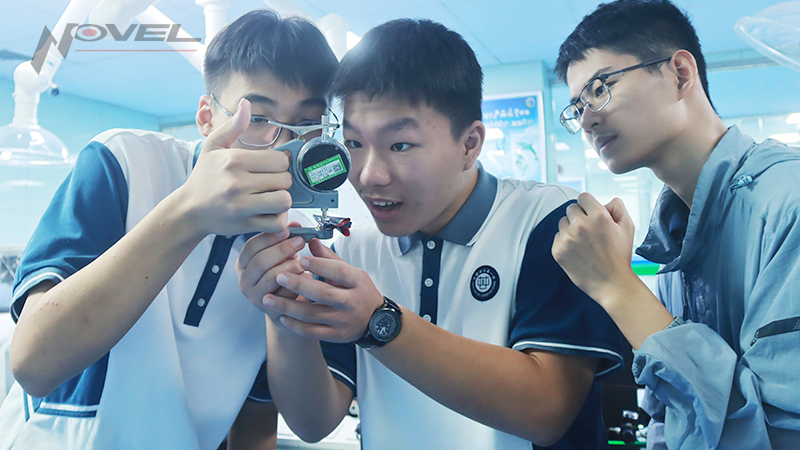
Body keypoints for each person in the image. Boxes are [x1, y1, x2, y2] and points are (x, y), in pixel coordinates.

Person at [238, 18, 624, 450]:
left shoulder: (550, 221)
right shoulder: (352, 248)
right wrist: (282, 309)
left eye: (400, 145)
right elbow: (313, 423)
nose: (369, 175)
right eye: (355, 143)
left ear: (469, 144)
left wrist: (379, 322)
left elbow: (547, 413)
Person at [0, 10, 339, 450]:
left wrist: (284, 314)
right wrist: (188, 216)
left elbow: (262, 423)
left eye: (306, 126)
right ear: (207, 117)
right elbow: (33, 364)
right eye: (257, 119)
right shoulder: (123, 162)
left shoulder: (299, 246)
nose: (281, 147)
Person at [551, 0, 800, 449]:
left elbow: (777, 435)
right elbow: (671, 419)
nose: (587, 119)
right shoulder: (673, 241)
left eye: (600, 88)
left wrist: (617, 287)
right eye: (576, 107)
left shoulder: (787, 203)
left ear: (680, 74)